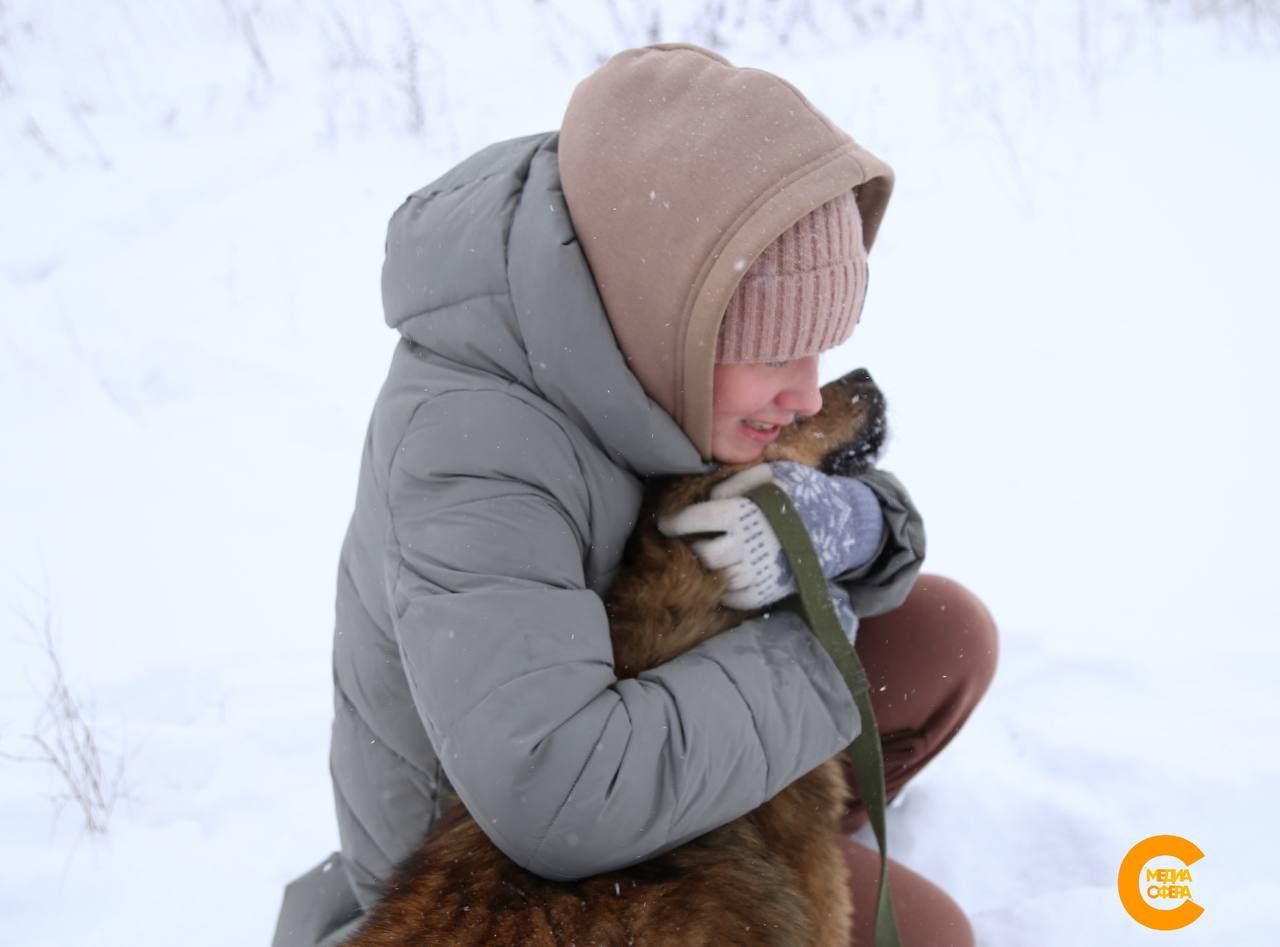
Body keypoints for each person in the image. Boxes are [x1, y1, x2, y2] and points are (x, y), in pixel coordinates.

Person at [271, 42, 999, 947]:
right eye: (776, 350)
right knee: (932, 937)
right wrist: (813, 663)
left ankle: (772, 820)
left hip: (643, 720)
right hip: (501, 883)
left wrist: (850, 529)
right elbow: (555, 792)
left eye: (821, 347)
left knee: (942, 634)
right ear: (678, 312)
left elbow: (832, 483)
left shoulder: (644, 320)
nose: (809, 393)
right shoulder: (472, 447)